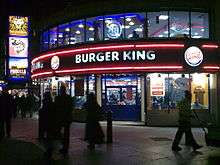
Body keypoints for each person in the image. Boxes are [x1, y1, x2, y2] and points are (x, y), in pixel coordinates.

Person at [54, 84, 73, 156]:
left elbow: (55, 108)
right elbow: (71, 107)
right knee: (66, 133)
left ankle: (63, 144)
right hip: (67, 118)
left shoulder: (58, 98)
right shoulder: (69, 98)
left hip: (60, 118)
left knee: (58, 131)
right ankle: (65, 146)